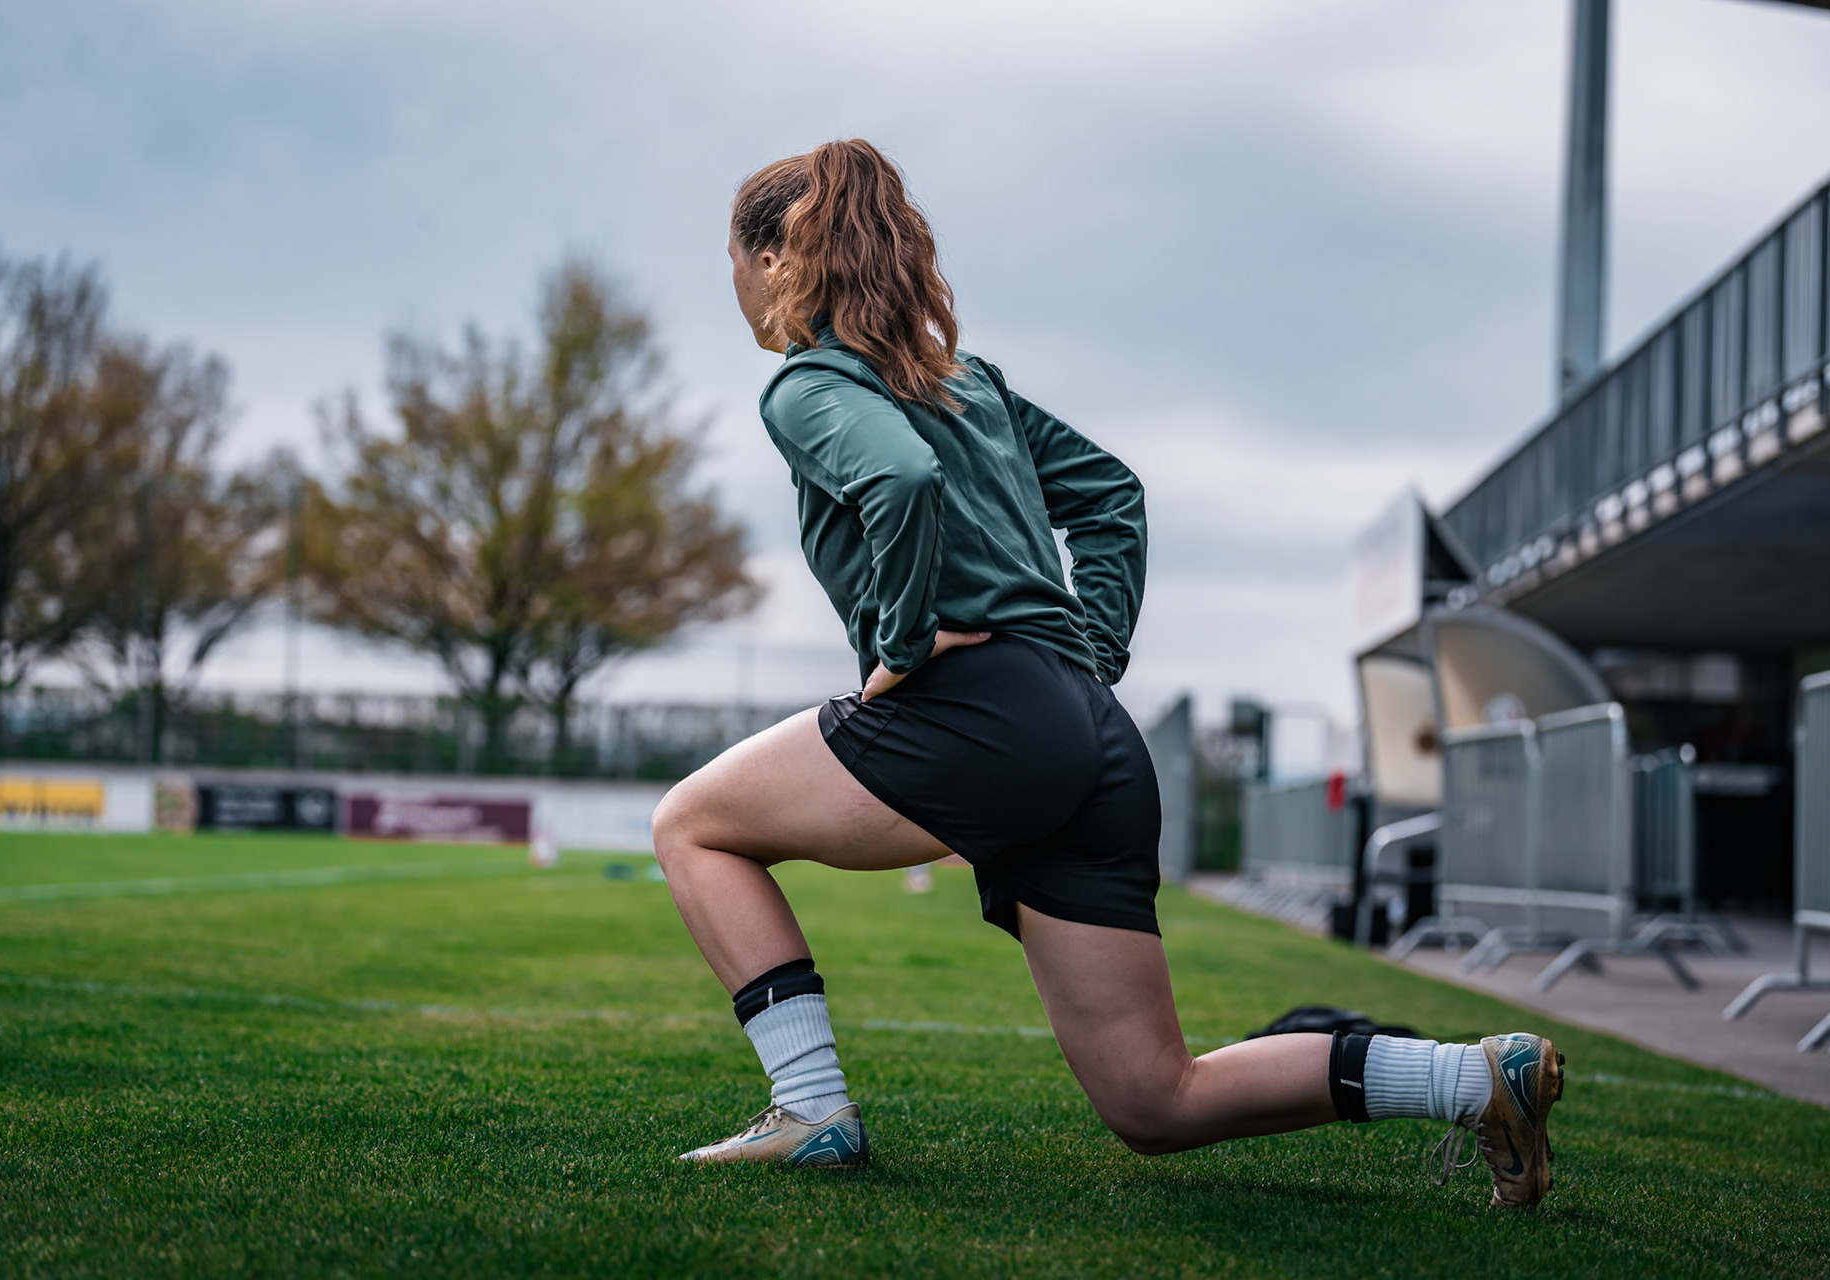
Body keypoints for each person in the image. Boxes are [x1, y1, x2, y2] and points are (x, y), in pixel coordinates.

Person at [651, 138, 1564, 1208]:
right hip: (1090, 731)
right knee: (1155, 1098)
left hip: (975, 710)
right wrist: (1088, 659)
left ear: (771, 261)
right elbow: (1114, 495)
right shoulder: (970, 380)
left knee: (690, 824)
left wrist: (900, 649)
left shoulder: (807, 383)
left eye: (731, 262)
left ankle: (811, 1110)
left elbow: (899, 479)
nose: (734, 288)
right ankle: (1474, 1076)